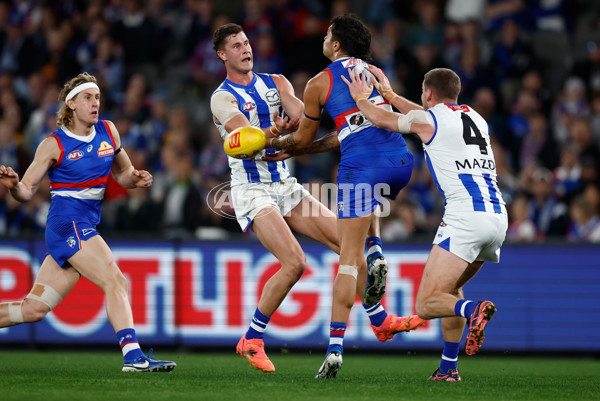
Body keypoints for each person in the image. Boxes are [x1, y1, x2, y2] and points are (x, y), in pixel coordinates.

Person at [210, 23, 420, 374]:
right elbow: (242, 135)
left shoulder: (276, 81)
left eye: (246, 42)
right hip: (252, 188)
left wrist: (294, 124)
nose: (245, 49)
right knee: (295, 263)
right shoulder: (222, 96)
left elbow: (302, 116)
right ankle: (252, 337)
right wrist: (276, 131)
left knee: (348, 246)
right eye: (235, 46)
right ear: (222, 55)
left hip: (285, 184)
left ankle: (379, 319)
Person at [0, 72, 175, 373]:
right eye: (88, 98)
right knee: (116, 280)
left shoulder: (108, 130)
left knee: (34, 309)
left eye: (97, 97)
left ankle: (134, 357)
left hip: (82, 226)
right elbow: (27, 191)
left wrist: (136, 178)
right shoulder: (54, 144)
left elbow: (122, 174)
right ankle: (133, 357)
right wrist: (14, 185)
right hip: (67, 225)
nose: (96, 103)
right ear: (71, 104)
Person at [343, 65, 508, 381]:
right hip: (497, 218)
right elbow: (424, 118)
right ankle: (448, 369)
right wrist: (390, 95)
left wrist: (362, 98)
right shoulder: (475, 117)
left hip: (465, 217)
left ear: (429, 93)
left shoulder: (430, 119)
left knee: (428, 302)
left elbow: (383, 120)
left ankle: (476, 310)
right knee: (451, 291)